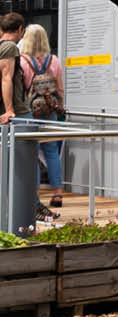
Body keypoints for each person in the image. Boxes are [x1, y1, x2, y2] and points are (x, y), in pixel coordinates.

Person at [19, 25, 65, 208]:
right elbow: (59, 88)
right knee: (52, 150)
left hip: (30, 111)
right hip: (49, 111)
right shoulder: (54, 60)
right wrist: (59, 106)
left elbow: (21, 89)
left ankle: (34, 193)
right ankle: (58, 193)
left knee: (32, 152)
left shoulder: (23, 61)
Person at [0, 11, 28, 125]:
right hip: (17, 112)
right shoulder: (10, 47)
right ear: (20, 29)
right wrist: (9, 110)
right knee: (27, 142)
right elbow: (6, 78)